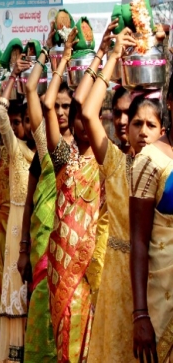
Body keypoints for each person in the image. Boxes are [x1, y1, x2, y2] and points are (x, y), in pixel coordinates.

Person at [80, 28, 142, 363]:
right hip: (116, 276)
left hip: (158, 274)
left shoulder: (166, 167)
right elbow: (88, 113)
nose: (134, 127)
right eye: (124, 118)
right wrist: (112, 56)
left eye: (148, 123)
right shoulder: (116, 164)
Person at [44, 29, 102, 363]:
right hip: (60, 264)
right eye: (76, 117)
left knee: (91, 338)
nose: (79, 120)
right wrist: (63, 59)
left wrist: (103, 58)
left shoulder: (108, 161)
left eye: (84, 115)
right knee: (66, 339)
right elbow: (49, 103)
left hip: (92, 264)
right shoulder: (65, 156)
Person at [17, 45, 58, 362]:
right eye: (56, 107)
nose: (59, 112)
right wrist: (47, 53)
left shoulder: (96, 155)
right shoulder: (49, 153)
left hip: (79, 253)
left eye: (65, 107)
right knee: (42, 314)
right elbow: (32, 89)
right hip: (44, 248)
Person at [0, 59, 34, 362]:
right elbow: (1, 115)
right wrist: (15, 76)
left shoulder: (46, 151)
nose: (25, 125)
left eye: (29, 120)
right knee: (17, 293)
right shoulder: (16, 148)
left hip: (38, 223)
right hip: (18, 225)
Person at [129, 84, 173, 363]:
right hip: (162, 300)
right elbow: (139, 241)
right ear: (170, 102)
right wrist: (141, 314)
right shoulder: (150, 160)